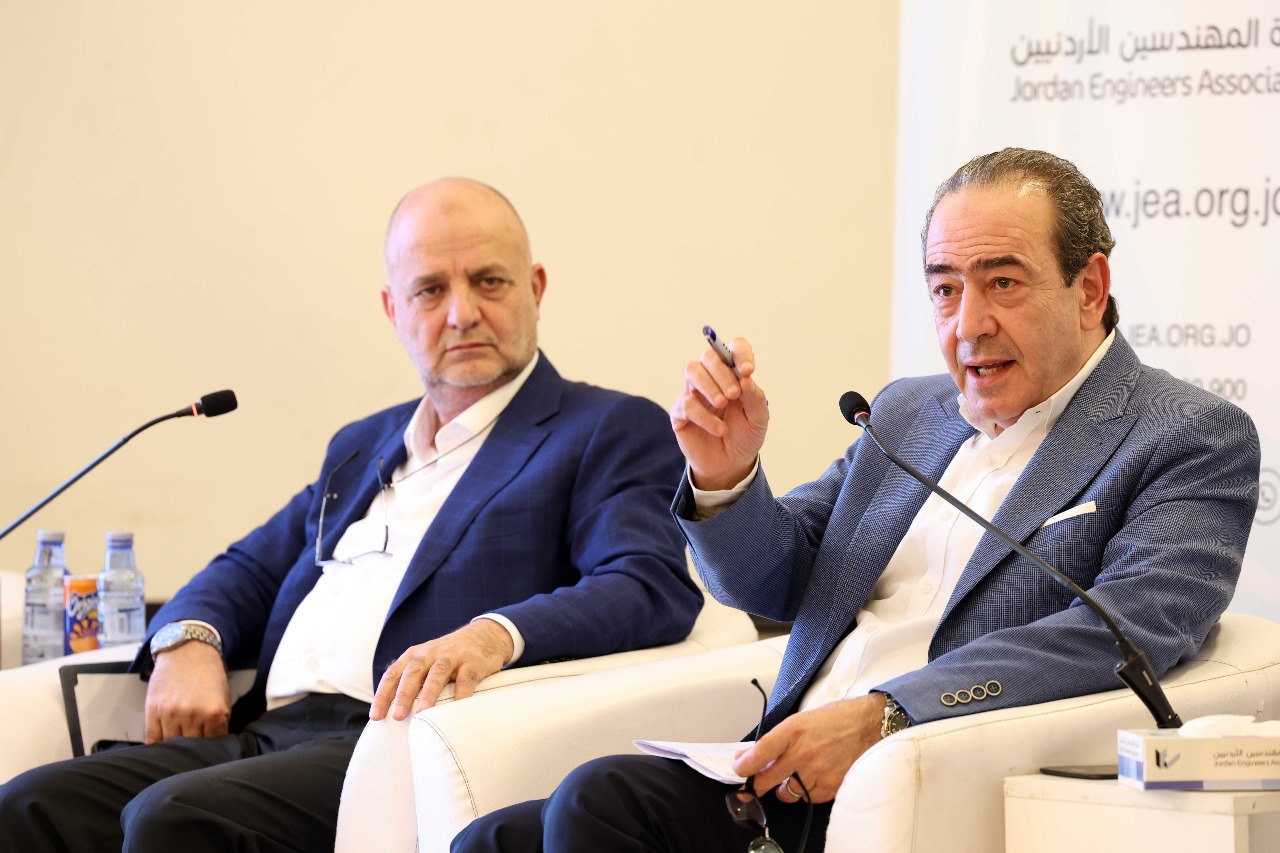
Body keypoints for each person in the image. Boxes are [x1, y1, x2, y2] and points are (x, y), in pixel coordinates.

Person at [451, 148, 1262, 852]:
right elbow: (776, 581)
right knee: (490, 840)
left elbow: (1125, 631)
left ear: (1089, 287)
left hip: (922, 781)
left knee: (598, 801)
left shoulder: (1187, 435)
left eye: (1003, 282)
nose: (968, 324)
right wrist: (727, 479)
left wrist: (886, 714)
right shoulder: (909, 412)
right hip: (778, 772)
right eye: (945, 289)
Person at [0, 178, 702, 851]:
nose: (461, 313)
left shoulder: (602, 428)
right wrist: (189, 639)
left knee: (175, 817)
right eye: (430, 289)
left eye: (489, 281)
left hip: (395, 744)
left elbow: (647, 583)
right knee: (30, 806)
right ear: (394, 310)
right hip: (265, 731)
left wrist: (491, 636)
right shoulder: (363, 444)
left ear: (535, 288)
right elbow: (249, 568)